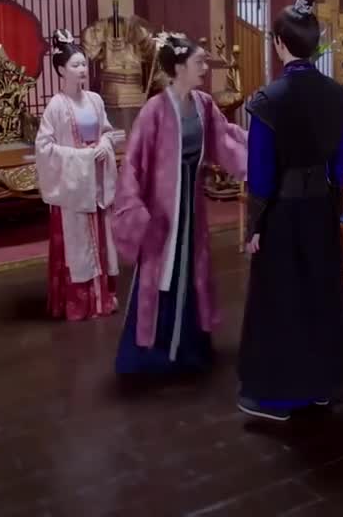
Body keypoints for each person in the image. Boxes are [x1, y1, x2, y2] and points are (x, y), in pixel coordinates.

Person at [236, 0, 343, 422]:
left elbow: (260, 173)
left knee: (282, 300)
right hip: (320, 208)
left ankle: (279, 398)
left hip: (282, 213)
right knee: (320, 296)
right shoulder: (337, 96)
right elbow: (339, 164)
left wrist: (255, 226)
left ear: (278, 43)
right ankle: (322, 387)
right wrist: (331, 208)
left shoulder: (268, 100)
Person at [113, 33, 247, 374]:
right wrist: (134, 209)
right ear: (178, 68)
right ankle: (152, 355)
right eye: (198, 62)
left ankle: (189, 350)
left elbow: (227, 138)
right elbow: (133, 164)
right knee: (159, 274)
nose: (205, 67)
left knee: (193, 271)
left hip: (192, 207)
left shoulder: (204, 104)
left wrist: (264, 148)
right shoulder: (154, 111)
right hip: (160, 214)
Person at [35, 29, 121, 321]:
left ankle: (102, 299)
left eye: (84, 64)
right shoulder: (56, 106)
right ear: (61, 70)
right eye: (75, 65)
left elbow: (107, 132)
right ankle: (78, 303)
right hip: (73, 184)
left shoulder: (95, 100)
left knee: (101, 238)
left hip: (95, 180)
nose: (82, 69)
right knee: (77, 244)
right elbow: (44, 147)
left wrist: (105, 145)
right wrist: (81, 156)